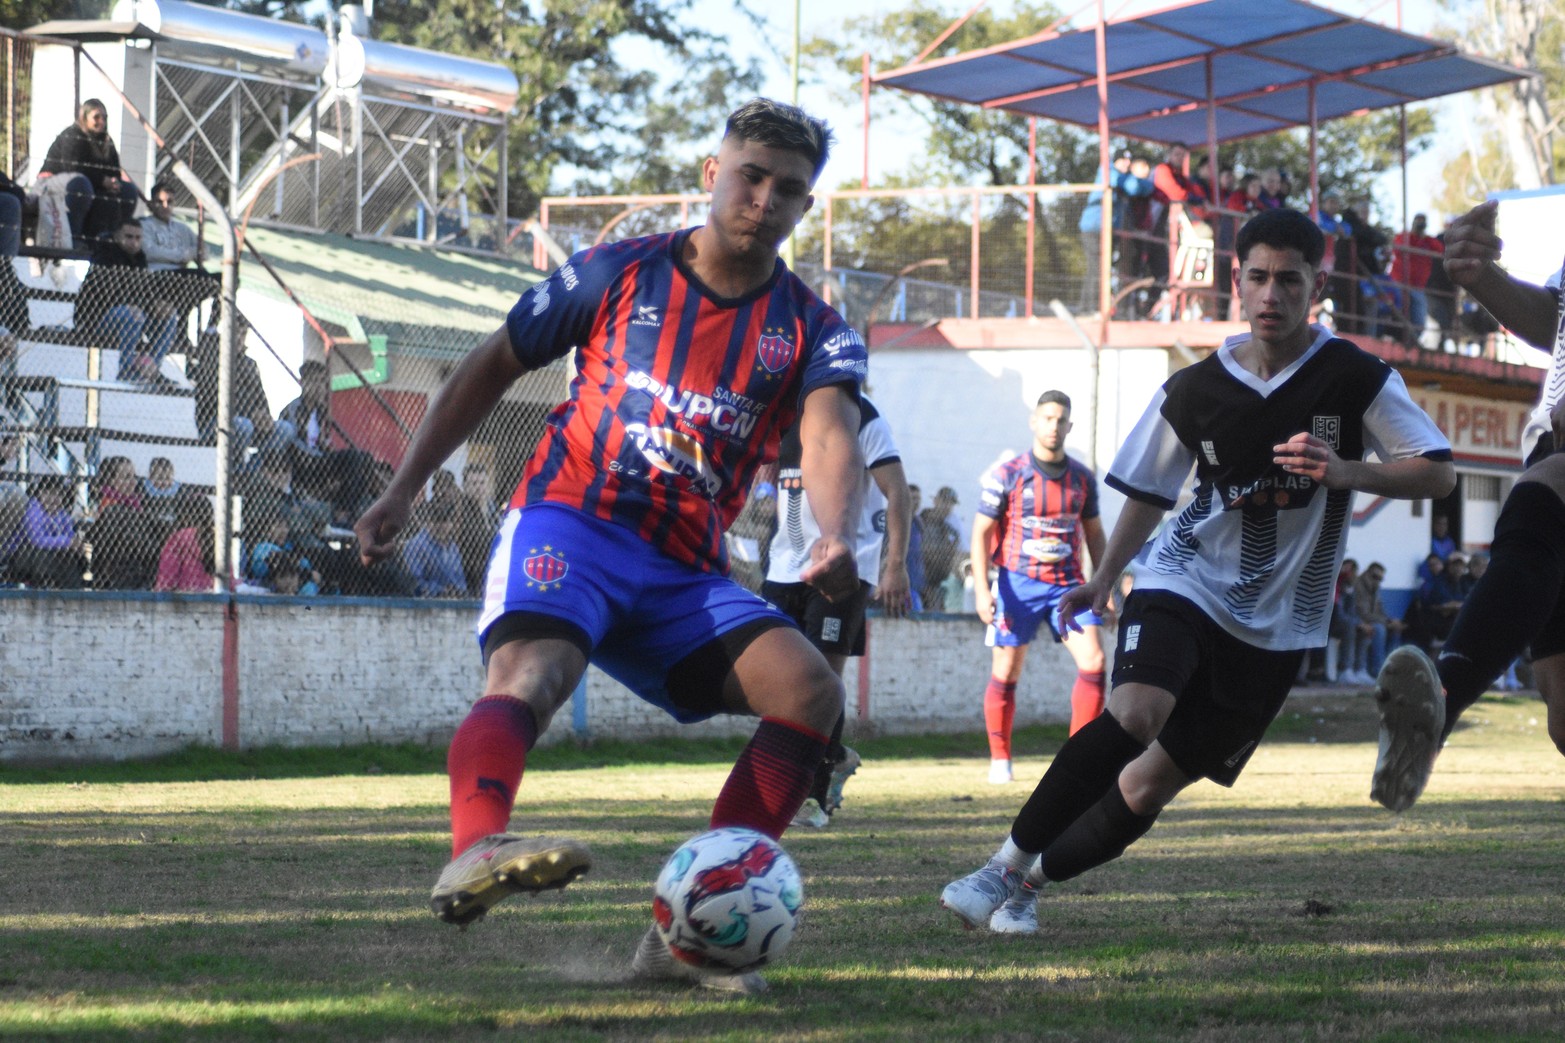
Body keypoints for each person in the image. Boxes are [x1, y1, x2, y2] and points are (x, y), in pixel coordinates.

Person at [352, 98, 867, 993]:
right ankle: (474, 851)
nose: (763, 197)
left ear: (803, 206)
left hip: (683, 570)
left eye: (788, 188)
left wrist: (833, 533)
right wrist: (404, 485)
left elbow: (829, 439)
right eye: (750, 175)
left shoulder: (814, 329)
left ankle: (686, 942)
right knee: (532, 678)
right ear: (714, 173)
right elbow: (489, 365)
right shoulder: (614, 272)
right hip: (571, 522)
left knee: (809, 691)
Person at [938, 207, 1453, 936]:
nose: (1271, 294)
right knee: (1134, 714)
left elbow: (1436, 475)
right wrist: (1101, 574)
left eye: (1288, 279)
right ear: (1234, 285)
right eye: (1256, 277)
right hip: (1182, 579)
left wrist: (1345, 469)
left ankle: (1031, 885)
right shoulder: (1193, 389)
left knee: (1147, 787)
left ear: (1317, 285)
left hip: (1278, 623)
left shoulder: (1356, 376)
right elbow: (1147, 495)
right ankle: (1002, 861)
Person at [1366, 197, 1565, 811]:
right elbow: (1554, 322)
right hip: (1552, 438)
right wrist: (1485, 279)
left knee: (1538, 501)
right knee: (1561, 704)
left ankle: (1440, 702)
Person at [762, 393, 913, 827]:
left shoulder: (861, 415)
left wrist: (895, 566)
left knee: (821, 679)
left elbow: (898, 491)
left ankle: (812, 796)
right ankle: (835, 754)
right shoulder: (782, 411)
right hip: (783, 566)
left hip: (844, 568)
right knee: (779, 680)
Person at [971, 390, 1107, 786]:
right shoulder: (1008, 474)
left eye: (1061, 420)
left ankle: (1077, 762)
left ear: (1070, 426)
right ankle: (1000, 760)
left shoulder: (1082, 478)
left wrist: (1105, 583)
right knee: (1007, 668)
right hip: (1017, 585)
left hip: (1069, 587)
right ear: (1034, 421)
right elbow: (980, 532)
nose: (1054, 426)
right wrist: (983, 590)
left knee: (1095, 662)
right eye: (1047, 418)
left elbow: (1095, 534)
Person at [75, 221, 182, 384]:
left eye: (138, 238)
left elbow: (144, 291)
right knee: (133, 315)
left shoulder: (140, 258)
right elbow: (112, 294)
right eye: (129, 237)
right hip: (97, 319)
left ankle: (151, 368)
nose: (134, 242)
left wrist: (155, 305)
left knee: (169, 316)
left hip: (132, 314)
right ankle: (126, 370)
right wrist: (145, 305)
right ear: (117, 236)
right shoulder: (105, 255)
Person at [275, 360, 374, 524]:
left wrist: (325, 450)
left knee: (366, 460)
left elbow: (322, 442)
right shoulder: (292, 409)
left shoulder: (321, 412)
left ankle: (347, 510)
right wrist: (320, 455)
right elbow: (292, 444)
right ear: (303, 383)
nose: (318, 386)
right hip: (303, 463)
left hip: (319, 462)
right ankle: (342, 511)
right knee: (353, 458)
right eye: (313, 381)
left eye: (321, 381)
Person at [35, 99, 139, 246]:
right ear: (85, 117)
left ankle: (113, 240)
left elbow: (114, 170)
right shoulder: (73, 135)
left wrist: (114, 183)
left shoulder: (107, 142)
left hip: (90, 186)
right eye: (96, 117)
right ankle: (73, 238)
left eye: (104, 118)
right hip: (54, 183)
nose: (101, 121)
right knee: (80, 184)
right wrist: (103, 181)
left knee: (128, 191)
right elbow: (73, 168)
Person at [1078, 151, 1153, 315]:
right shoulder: (1109, 171)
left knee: (1100, 269)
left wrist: (1137, 180)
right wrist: (1135, 178)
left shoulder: (1123, 176)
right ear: (1116, 161)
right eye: (1123, 160)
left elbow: (1148, 188)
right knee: (1097, 268)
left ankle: (1091, 309)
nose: (1126, 164)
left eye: (1129, 161)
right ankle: (1090, 309)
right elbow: (1133, 188)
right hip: (1094, 228)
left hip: (1109, 230)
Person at [11, 476, 85, 588]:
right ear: (39, 493)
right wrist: (66, 542)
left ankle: (73, 593)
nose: (53, 498)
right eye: (48, 493)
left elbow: (70, 536)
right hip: (25, 555)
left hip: (54, 556)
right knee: (43, 554)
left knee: (71, 557)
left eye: (58, 494)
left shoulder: (62, 514)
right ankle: (44, 586)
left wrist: (74, 544)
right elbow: (36, 540)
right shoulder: (34, 510)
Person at [403, 497, 468, 598]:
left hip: (455, 602)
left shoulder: (452, 546)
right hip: (427, 604)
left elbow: (461, 582)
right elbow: (413, 582)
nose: (441, 526)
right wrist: (441, 591)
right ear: (427, 521)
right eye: (436, 519)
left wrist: (458, 591)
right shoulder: (416, 545)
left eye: (446, 520)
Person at [1391, 213, 1443, 338]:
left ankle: (1413, 339)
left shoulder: (1428, 241)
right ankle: (1397, 336)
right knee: (1398, 311)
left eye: (1422, 222)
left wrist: (1423, 237)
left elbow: (1440, 250)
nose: (1420, 224)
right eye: (1418, 221)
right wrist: (1413, 235)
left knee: (1419, 317)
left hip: (1418, 287)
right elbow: (1397, 249)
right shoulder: (1404, 237)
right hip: (1399, 282)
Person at [154, 493, 216, 593]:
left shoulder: (178, 538)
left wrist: (161, 589)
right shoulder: (216, 538)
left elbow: (169, 572)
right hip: (213, 591)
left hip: (184, 594)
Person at [1351, 561, 1403, 677]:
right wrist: (1385, 622)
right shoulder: (1358, 586)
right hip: (1359, 622)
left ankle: (1389, 667)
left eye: (1380, 578)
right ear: (1368, 573)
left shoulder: (1375, 588)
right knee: (1379, 629)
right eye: (1375, 577)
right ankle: (1378, 670)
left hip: (1372, 621)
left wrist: (1390, 621)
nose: (1378, 581)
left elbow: (1380, 610)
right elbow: (1363, 613)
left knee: (1396, 629)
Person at [919, 485, 962, 609]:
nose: (947, 506)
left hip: (941, 581)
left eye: (950, 503)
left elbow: (958, 550)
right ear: (935, 501)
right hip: (921, 579)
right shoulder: (922, 521)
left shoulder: (951, 527)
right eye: (944, 501)